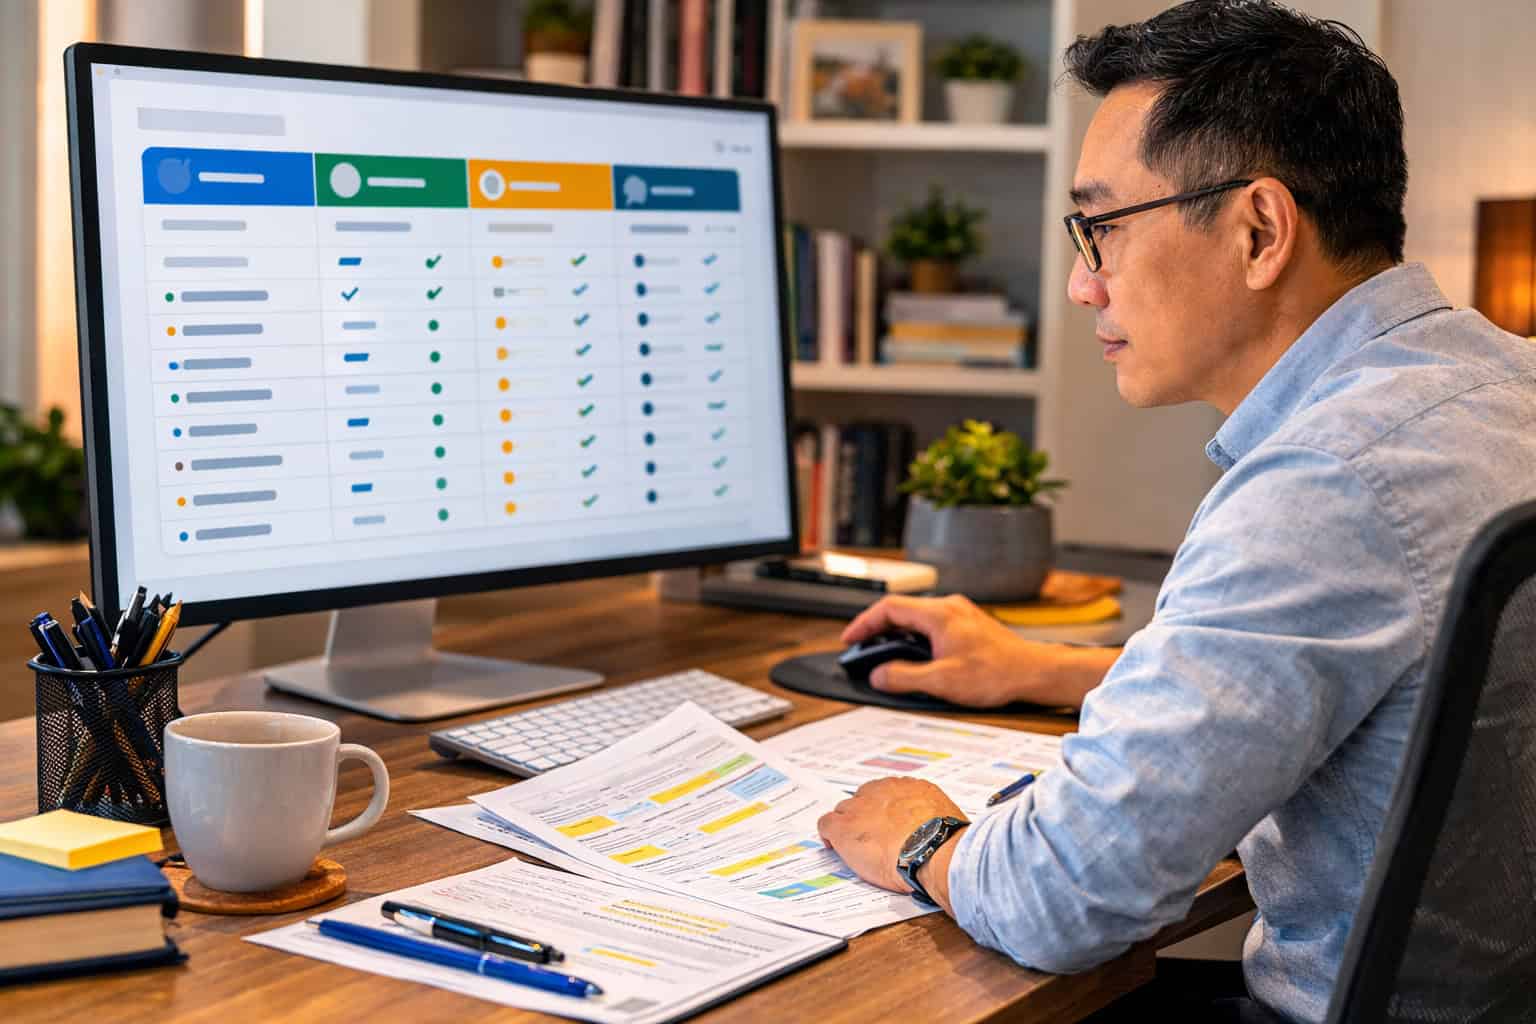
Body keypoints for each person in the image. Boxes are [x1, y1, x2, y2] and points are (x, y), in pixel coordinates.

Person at [814, 2, 1536, 1021]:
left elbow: (1063, 892)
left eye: (1100, 227)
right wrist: (1050, 668)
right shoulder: (1505, 386)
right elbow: (1360, 675)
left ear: (1258, 229)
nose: (1078, 282)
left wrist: (922, 837)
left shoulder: (1325, 481)